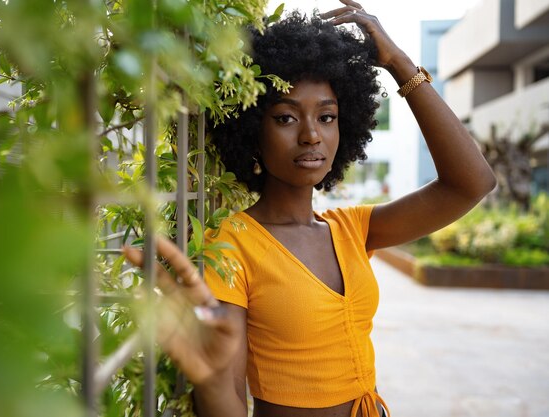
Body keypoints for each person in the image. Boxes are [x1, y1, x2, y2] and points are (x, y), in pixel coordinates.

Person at [123, 1, 496, 416]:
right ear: (251, 130)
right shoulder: (233, 245)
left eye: (327, 116)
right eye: (285, 118)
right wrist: (210, 382)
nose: (311, 136)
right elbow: (225, 398)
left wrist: (400, 64)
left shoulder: (352, 229)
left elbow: (471, 184)